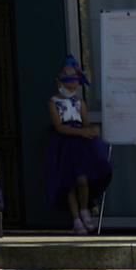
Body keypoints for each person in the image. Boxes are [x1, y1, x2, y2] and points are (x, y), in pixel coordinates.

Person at [46, 55, 113, 234]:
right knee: (68, 182)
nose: (71, 90)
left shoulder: (79, 103)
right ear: (60, 83)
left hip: (81, 146)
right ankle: (76, 219)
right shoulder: (53, 102)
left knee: (83, 180)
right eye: (68, 87)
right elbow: (58, 126)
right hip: (64, 144)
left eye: (74, 88)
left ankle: (84, 209)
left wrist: (92, 130)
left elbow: (85, 123)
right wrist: (80, 132)